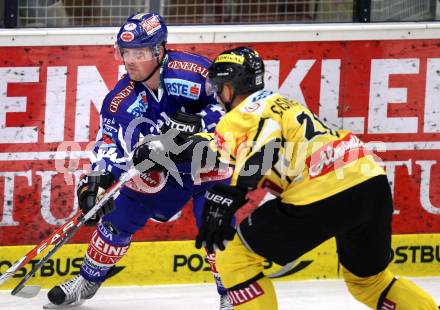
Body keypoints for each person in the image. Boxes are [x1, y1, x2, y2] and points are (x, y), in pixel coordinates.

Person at [140, 46, 439, 309]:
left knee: (234, 256)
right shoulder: (277, 105)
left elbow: (266, 142)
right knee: (370, 282)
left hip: (324, 190)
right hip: (370, 184)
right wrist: (164, 147)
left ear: (231, 86)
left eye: (219, 87)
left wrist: (237, 192)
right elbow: (219, 148)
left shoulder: (247, 111)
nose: (217, 96)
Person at [44, 13, 233, 310]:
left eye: (139, 53)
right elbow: (108, 145)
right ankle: (87, 281)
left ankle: (230, 295)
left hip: (206, 163)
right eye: (125, 52)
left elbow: (232, 105)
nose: (130, 60)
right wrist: (97, 180)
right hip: (163, 170)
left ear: (160, 50)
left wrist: (201, 123)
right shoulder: (119, 99)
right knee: (118, 218)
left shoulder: (193, 72)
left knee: (216, 224)